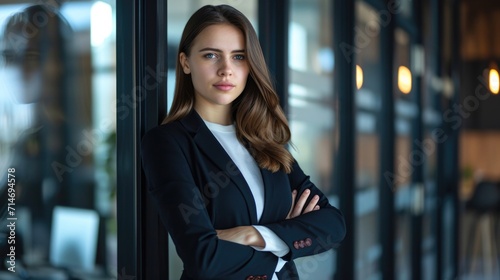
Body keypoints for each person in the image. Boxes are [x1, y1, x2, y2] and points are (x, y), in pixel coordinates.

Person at [141, 4, 346, 280]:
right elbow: (203, 257)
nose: (226, 70)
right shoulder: (167, 143)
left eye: (238, 57)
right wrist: (283, 237)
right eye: (211, 55)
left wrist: (254, 234)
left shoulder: (264, 137)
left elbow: (333, 225)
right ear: (186, 62)